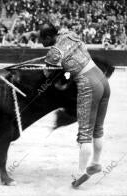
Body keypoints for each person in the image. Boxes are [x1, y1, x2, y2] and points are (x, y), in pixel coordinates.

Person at [39, 23, 111, 188]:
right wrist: (66, 71)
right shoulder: (70, 35)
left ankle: (80, 173)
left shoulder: (53, 53)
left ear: (49, 37)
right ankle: (96, 163)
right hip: (102, 79)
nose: (42, 42)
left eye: (43, 39)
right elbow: (69, 69)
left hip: (88, 84)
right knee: (98, 128)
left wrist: (60, 77)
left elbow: (49, 74)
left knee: (85, 132)